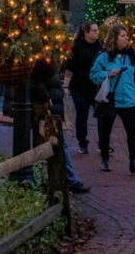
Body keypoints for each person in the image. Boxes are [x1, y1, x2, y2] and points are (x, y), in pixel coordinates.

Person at [90, 22, 135, 173]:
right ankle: (105, 160)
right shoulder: (104, 57)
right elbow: (93, 75)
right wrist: (107, 74)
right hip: (111, 99)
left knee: (131, 131)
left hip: (128, 99)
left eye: (126, 36)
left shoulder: (132, 56)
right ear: (114, 38)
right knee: (106, 130)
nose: (126, 39)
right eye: (123, 36)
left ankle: (133, 160)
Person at [30, 59, 91, 194]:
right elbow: (35, 81)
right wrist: (47, 101)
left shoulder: (48, 59)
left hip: (53, 109)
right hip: (49, 110)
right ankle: (69, 180)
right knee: (60, 145)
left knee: (56, 145)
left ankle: (60, 179)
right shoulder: (41, 60)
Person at [63, 21, 103, 154]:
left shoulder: (100, 46)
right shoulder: (77, 47)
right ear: (86, 32)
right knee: (82, 114)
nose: (97, 33)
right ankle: (83, 142)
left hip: (95, 86)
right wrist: (66, 86)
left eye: (97, 30)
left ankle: (103, 142)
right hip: (79, 87)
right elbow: (70, 68)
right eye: (94, 31)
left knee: (102, 114)